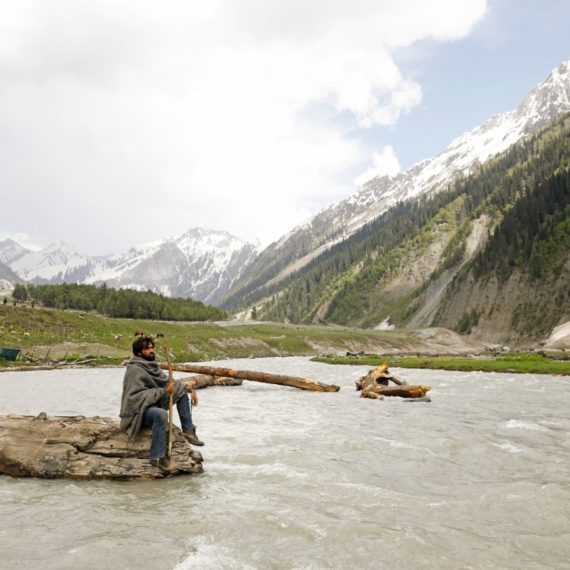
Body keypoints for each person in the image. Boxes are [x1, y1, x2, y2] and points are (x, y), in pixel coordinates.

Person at [119, 336, 204, 471]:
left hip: (153, 403)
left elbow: (169, 384)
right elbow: (135, 397)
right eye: (147, 348)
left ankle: (188, 430)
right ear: (139, 352)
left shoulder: (152, 366)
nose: (151, 350)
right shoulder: (134, 369)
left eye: (152, 347)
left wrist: (189, 389)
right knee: (161, 414)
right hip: (139, 411)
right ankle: (157, 457)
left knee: (180, 390)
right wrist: (163, 391)